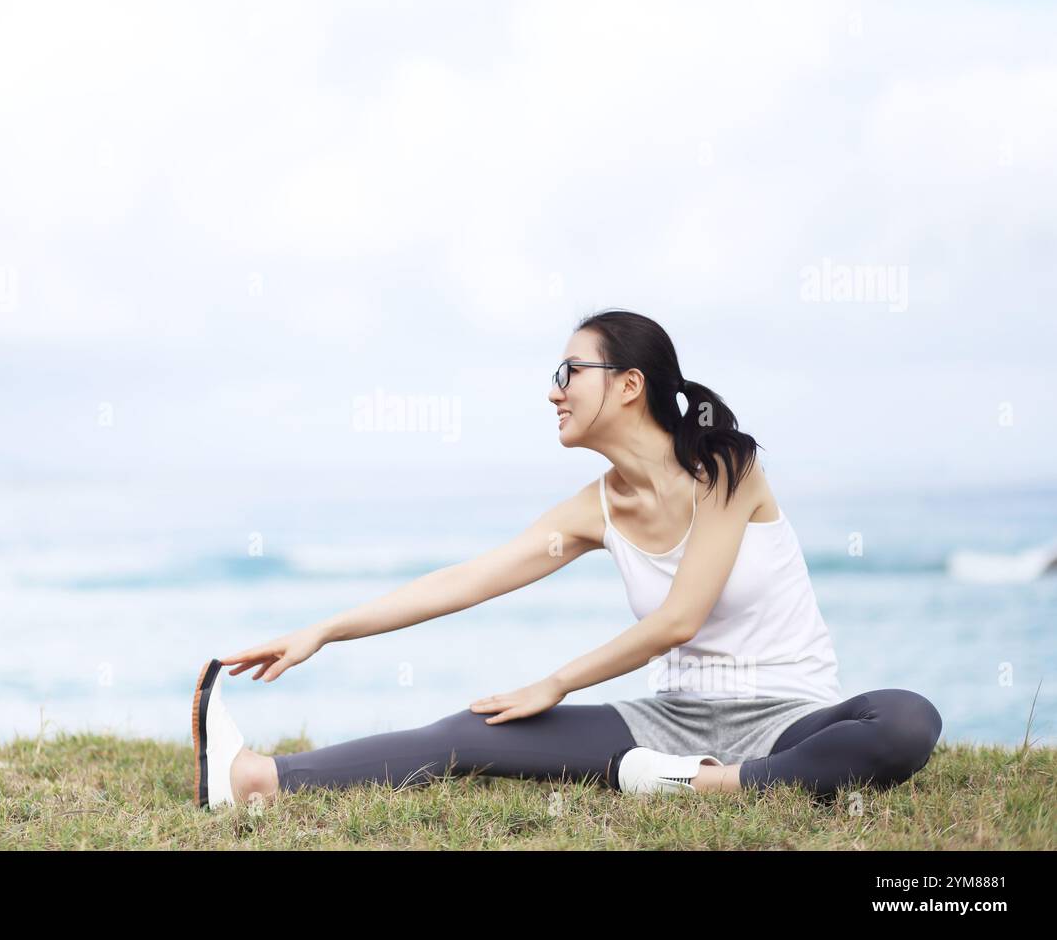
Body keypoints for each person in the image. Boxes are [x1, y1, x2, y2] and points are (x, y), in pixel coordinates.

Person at [192, 309, 943, 811]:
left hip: (790, 716)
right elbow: (466, 581)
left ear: (627, 385)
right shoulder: (596, 507)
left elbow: (680, 619)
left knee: (907, 721)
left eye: (567, 373)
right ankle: (258, 778)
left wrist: (554, 683)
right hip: (669, 723)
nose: (552, 393)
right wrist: (324, 631)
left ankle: (714, 789)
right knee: (473, 731)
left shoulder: (726, 467)